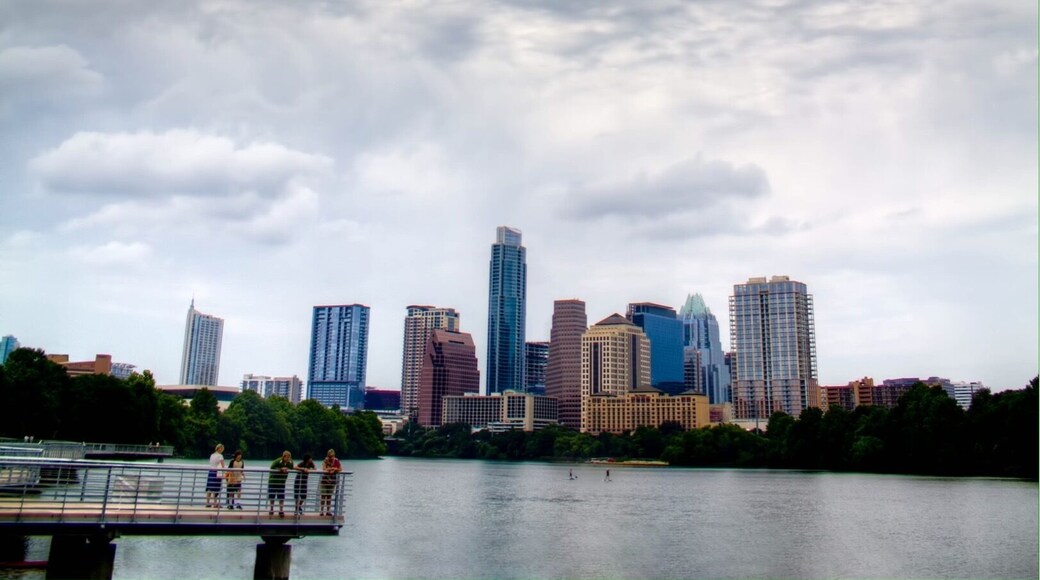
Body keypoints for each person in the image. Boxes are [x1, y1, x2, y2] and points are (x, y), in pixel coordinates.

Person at [268, 450, 293, 517]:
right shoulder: (277, 461)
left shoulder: (290, 462)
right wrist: (280, 469)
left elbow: (292, 467)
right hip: (273, 481)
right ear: (283, 457)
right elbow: (271, 468)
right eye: (287, 457)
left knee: (281, 497)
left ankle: (281, 510)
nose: (288, 459)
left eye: (289, 457)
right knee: (272, 496)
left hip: (282, 482)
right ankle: (271, 509)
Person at [319, 448, 342, 516]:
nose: (330, 458)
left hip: (332, 481)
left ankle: (328, 511)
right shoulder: (325, 460)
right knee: (323, 496)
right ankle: (322, 511)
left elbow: (340, 469)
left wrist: (334, 470)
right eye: (329, 456)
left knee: (329, 496)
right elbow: (324, 468)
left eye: (331, 456)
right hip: (324, 481)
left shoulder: (336, 460)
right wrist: (330, 469)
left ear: (334, 455)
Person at [206, 444, 225, 508]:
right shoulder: (220, 456)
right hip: (217, 472)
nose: (222, 450)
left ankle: (207, 502)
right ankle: (215, 503)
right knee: (216, 488)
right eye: (222, 449)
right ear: (219, 448)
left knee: (209, 488)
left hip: (211, 471)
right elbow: (223, 466)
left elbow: (211, 463)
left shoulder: (212, 455)